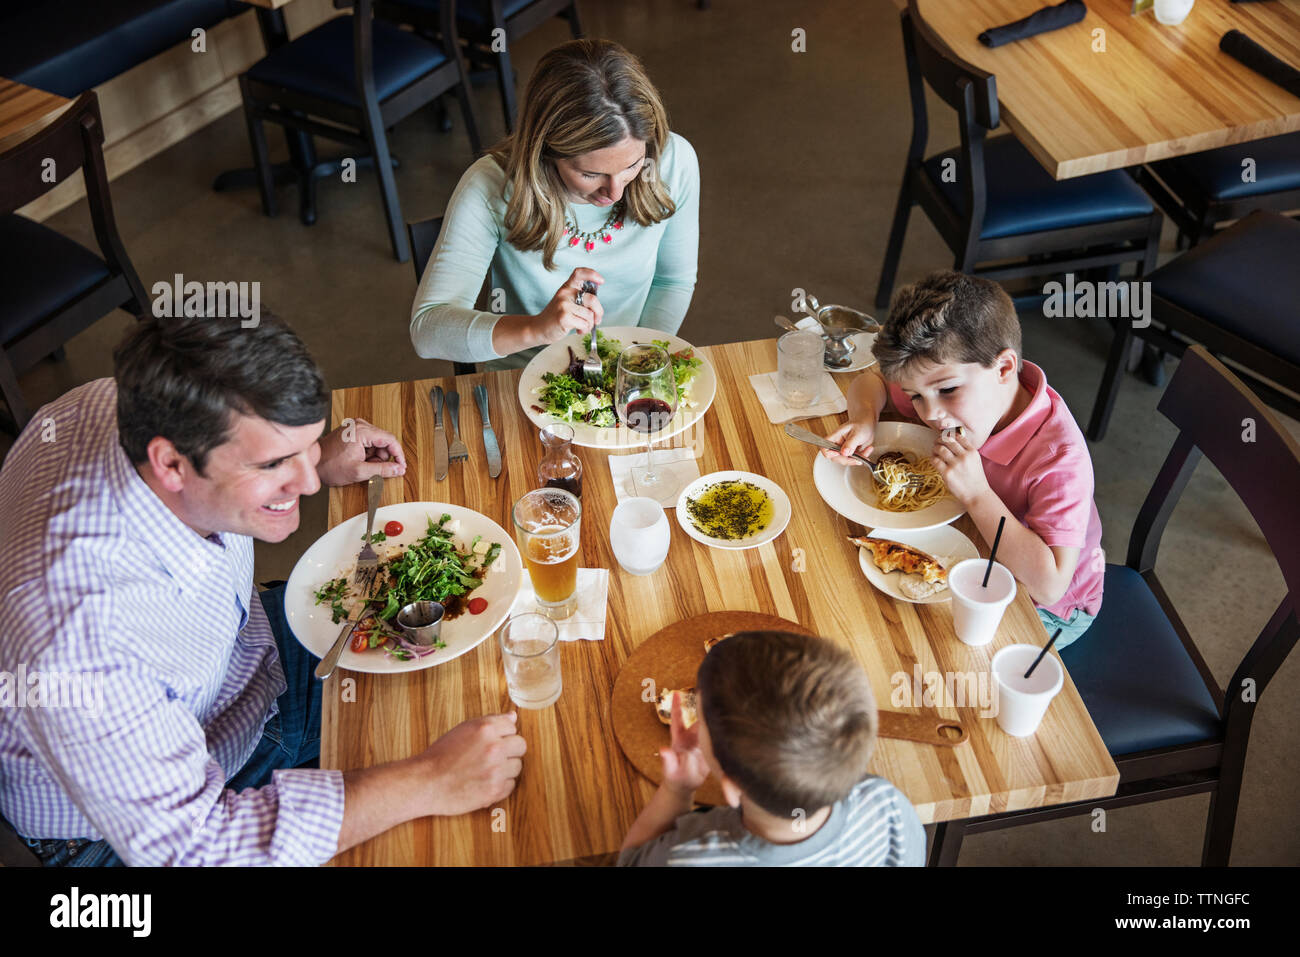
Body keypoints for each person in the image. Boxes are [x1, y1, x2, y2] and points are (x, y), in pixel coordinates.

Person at [0, 314, 526, 866]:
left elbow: (260, 463)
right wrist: (429, 779)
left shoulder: (114, 403)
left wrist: (313, 453)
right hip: (135, 832)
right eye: (275, 463)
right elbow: (194, 847)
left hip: (244, 667)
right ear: (171, 463)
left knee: (490, 678)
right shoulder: (80, 639)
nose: (308, 484)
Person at [824, 271, 1104, 647]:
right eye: (915, 396)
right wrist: (864, 419)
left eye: (947, 391)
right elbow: (872, 382)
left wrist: (976, 495)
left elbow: (1050, 584)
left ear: (1004, 368)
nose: (931, 414)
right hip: (977, 543)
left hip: (1046, 608)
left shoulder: (1060, 460)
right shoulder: (942, 382)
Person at [410, 38, 699, 370]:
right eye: (591, 173)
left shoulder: (674, 162)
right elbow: (427, 330)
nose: (615, 193)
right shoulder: (490, 185)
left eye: (632, 165)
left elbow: (672, 281)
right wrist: (536, 329)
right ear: (546, 151)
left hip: (627, 367)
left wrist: (637, 362)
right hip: (521, 377)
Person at [618, 630, 924, 866]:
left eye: (703, 716)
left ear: (732, 789)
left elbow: (632, 860)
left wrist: (677, 789)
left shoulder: (691, 855)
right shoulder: (887, 805)